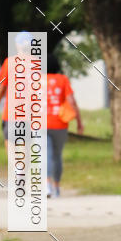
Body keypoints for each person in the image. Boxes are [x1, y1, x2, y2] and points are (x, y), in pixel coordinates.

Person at [46, 53, 83, 197]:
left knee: (44, 154)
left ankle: (47, 184)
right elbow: (72, 102)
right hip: (60, 124)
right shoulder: (62, 80)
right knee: (57, 156)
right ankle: (56, 187)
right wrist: (79, 122)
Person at [0, 31, 31, 146]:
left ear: (17, 44)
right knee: (26, 147)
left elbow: (2, 88)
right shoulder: (38, 63)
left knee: (11, 146)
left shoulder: (9, 62)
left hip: (12, 113)